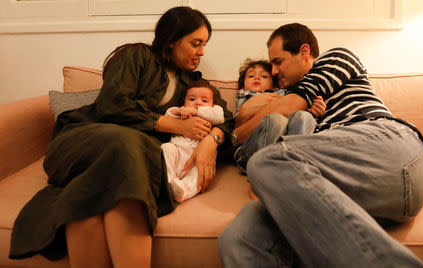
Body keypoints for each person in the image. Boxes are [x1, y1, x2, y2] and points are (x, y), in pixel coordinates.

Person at [9, 6, 233, 268]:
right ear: (172, 39)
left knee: (122, 170)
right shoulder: (136, 56)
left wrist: (212, 139)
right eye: (196, 43)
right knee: (130, 143)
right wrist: (173, 125)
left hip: (129, 156)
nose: (202, 52)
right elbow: (112, 104)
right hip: (83, 140)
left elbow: (227, 117)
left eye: (204, 44)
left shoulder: (191, 84)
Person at [219, 23, 423, 267]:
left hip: (387, 147)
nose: (274, 70)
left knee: (269, 159)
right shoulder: (293, 102)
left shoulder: (335, 59)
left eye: (279, 61)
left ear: (304, 52)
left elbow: (286, 107)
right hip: (343, 186)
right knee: (240, 239)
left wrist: (228, 138)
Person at [232, 58, 325, 172]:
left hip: (284, 145)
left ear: (275, 86)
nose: (256, 78)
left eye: (264, 76)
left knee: (304, 116)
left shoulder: (285, 93)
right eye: (251, 76)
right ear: (242, 86)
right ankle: (264, 170)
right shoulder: (244, 95)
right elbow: (239, 124)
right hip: (250, 149)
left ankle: (295, 162)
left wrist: (314, 110)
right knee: (275, 120)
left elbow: (295, 108)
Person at [161, 81, 225, 203]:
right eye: (192, 99)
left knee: (199, 173)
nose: (197, 103)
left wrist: (197, 111)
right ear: (184, 100)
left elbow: (220, 117)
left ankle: (183, 191)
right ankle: (169, 180)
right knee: (166, 148)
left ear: (213, 104)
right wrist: (179, 111)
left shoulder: (213, 112)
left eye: (204, 101)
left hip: (198, 157)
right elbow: (168, 115)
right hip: (177, 151)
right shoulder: (181, 110)